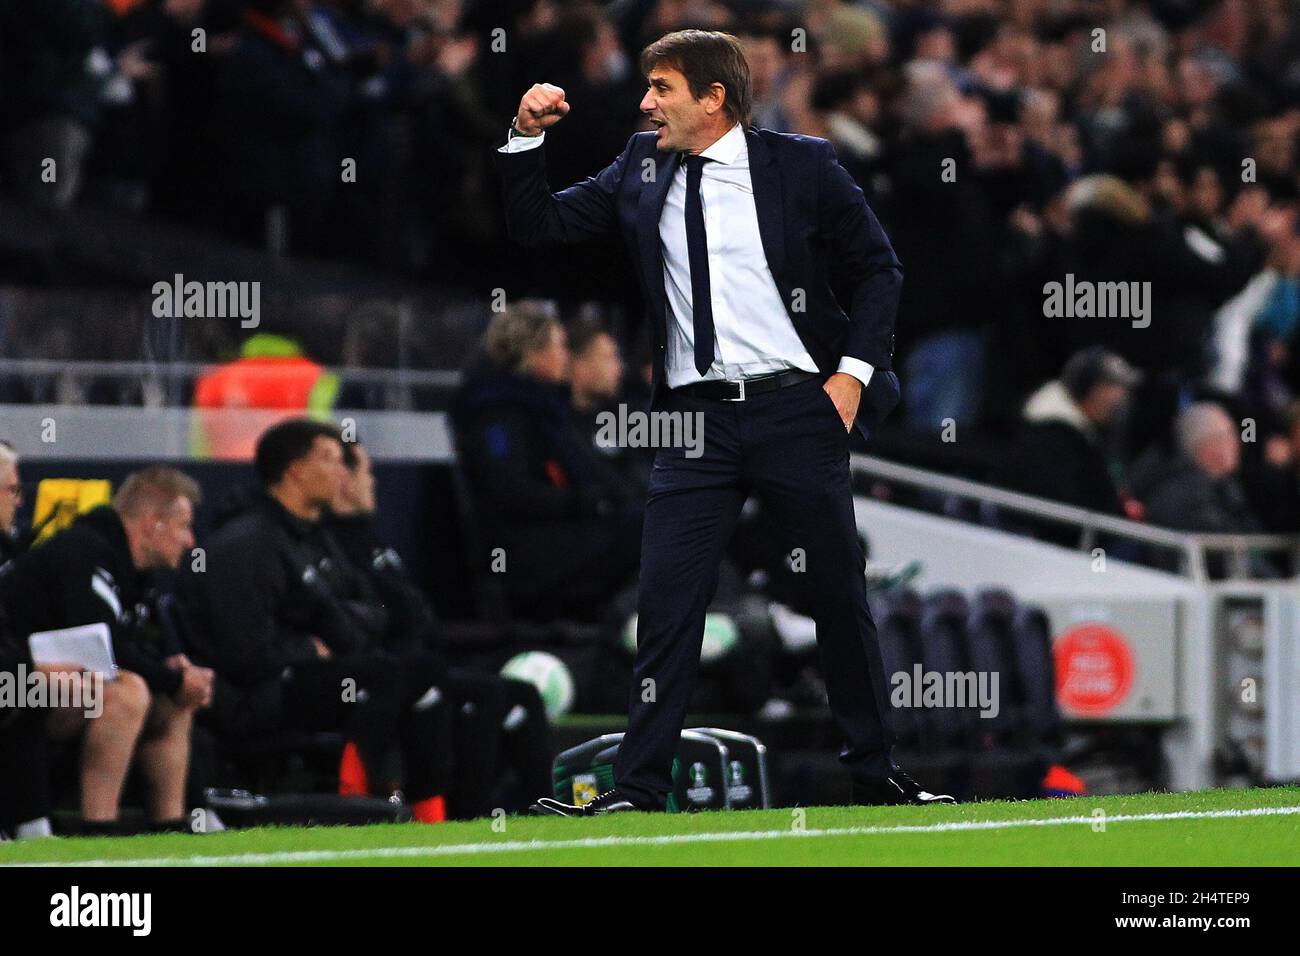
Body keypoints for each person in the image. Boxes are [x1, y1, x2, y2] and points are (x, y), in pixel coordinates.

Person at [496, 29, 951, 813]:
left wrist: (852, 377)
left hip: (795, 410)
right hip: (694, 426)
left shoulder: (802, 166)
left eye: (663, 89)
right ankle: (637, 790)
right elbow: (540, 226)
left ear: (714, 98)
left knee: (837, 595)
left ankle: (878, 778)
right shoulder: (641, 166)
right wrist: (523, 139)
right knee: (667, 608)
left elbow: (880, 268)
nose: (645, 103)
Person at [176, 419, 454, 822]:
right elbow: (244, 654)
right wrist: (311, 645)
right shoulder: (246, 544)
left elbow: (375, 614)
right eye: (328, 459)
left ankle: (433, 816)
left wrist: (330, 625)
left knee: (422, 672)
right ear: (296, 470)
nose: (342, 470)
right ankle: (357, 807)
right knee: (383, 677)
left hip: (312, 674)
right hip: (257, 695)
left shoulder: (314, 537)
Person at [324, 439, 554, 814]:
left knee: (522, 695)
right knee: (482, 696)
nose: (374, 482)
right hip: (389, 672)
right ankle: (461, 816)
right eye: (367, 471)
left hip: (423, 660)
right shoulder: (333, 543)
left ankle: (544, 806)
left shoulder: (369, 537)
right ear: (345, 479)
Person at [0, 466, 212, 834]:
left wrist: (174, 674)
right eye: (183, 526)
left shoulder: (135, 573)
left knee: (171, 698)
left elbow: (129, 644)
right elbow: (103, 647)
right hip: (20, 685)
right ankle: (99, 827)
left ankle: (176, 824)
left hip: (57, 686)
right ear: (153, 523)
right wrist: (172, 678)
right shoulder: (83, 551)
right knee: (127, 692)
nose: (190, 541)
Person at [453, 303, 642, 622]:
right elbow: (510, 493)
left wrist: (616, 499)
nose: (565, 357)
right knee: (646, 530)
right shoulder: (497, 416)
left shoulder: (545, 410)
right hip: (526, 553)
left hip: (557, 534)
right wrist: (586, 503)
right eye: (560, 346)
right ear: (534, 353)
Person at [996, 347, 1140, 521]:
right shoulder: (1049, 440)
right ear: (1091, 390)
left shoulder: (1092, 435)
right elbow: (1062, 512)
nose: (1122, 396)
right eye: (1112, 386)